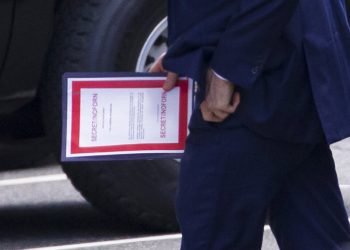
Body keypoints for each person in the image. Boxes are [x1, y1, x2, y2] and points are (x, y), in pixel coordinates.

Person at [150, 0, 350, 249]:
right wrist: (191, 44)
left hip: (257, 89)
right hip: (292, 71)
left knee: (214, 235)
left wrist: (227, 71)